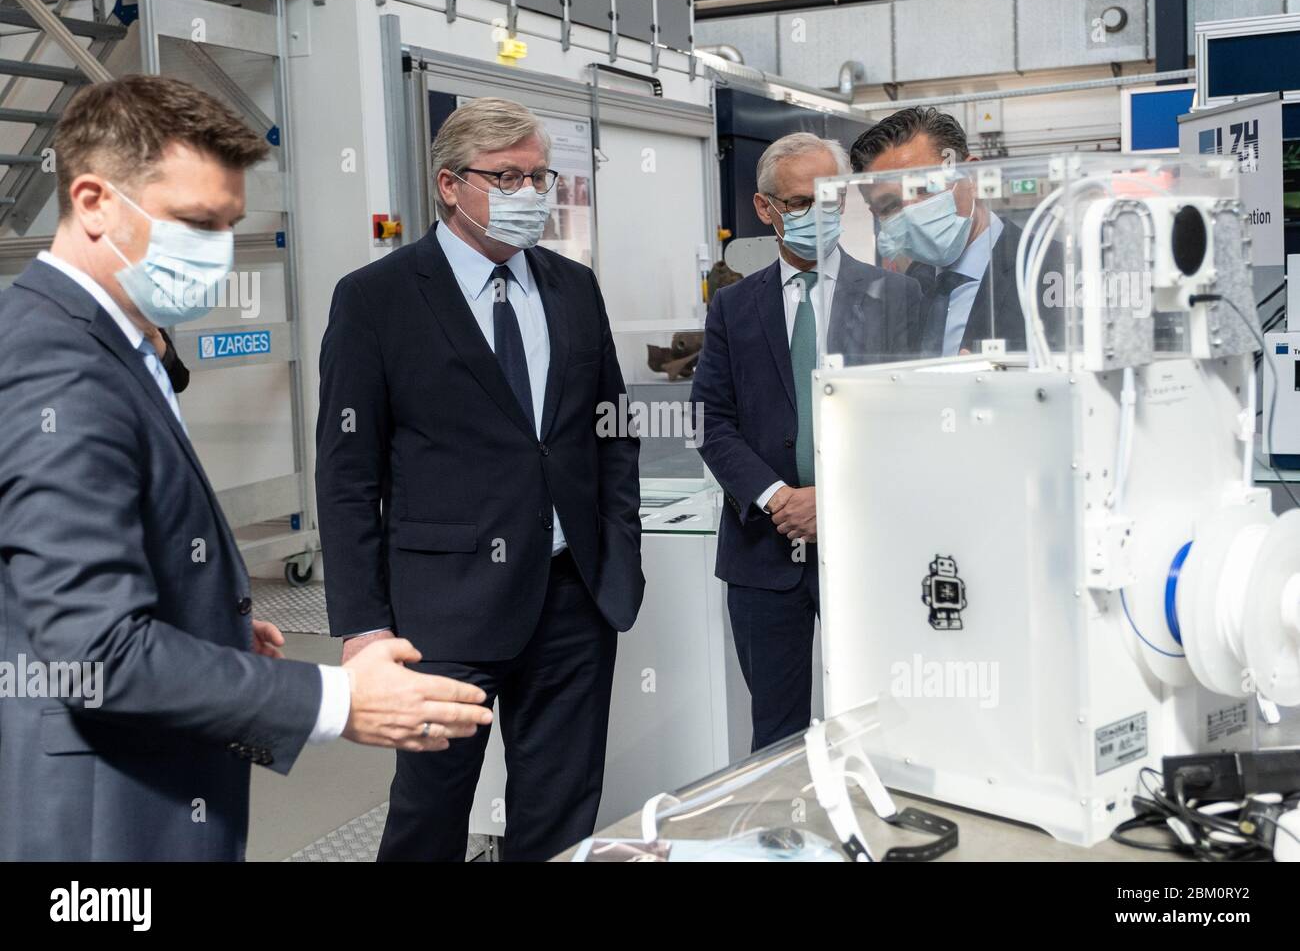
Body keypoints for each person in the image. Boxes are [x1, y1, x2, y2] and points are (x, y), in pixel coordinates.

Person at [0, 75, 492, 861]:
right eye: (195, 223)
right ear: (92, 202)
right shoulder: (60, 371)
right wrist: (338, 700)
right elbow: (94, 651)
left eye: (229, 226)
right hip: (104, 825)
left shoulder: (109, 339)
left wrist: (210, 624)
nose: (218, 254)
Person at [316, 97, 644, 862]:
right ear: (449, 185)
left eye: (540, 177)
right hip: (443, 608)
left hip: (572, 597)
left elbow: (612, 431)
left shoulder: (572, 287)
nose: (531, 195)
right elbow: (346, 474)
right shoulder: (375, 299)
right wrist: (364, 625)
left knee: (562, 811)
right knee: (430, 815)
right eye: (507, 177)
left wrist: (618, 550)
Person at [691, 132, 922, 751]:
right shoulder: (734, 308)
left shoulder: (895, 297)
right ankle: (787, 839)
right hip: (764, 554)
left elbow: (912, 421)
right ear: (765, 210)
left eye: (828, 198)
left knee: (882, 721)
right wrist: (776, 499)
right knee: (777, 734)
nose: (816, 214)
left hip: (870, 550)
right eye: (797, 203)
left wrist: (835, 500)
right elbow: (711, 421)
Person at [850, 106, 1059, 356]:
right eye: (890, 205)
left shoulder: (1051, 271)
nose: (913, 213)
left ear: (973, 177)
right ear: (875, 213)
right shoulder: (905, 290)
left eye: (926, 187)